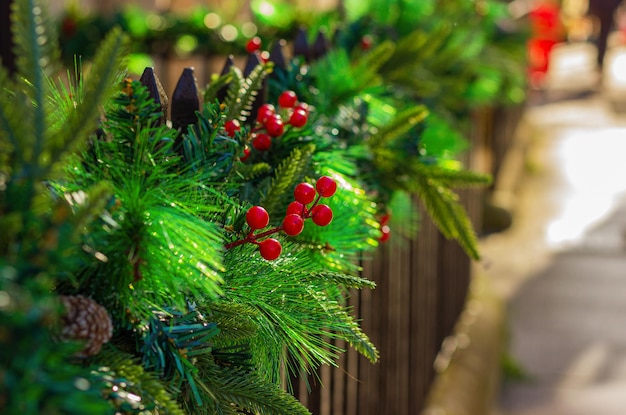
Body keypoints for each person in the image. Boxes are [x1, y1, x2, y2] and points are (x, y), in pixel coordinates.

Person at [587, 0, 624, 67]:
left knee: (603, 33)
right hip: (606, 8)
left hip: (606, 8)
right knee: (603, 33)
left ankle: (600, 56)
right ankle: (600, 56)